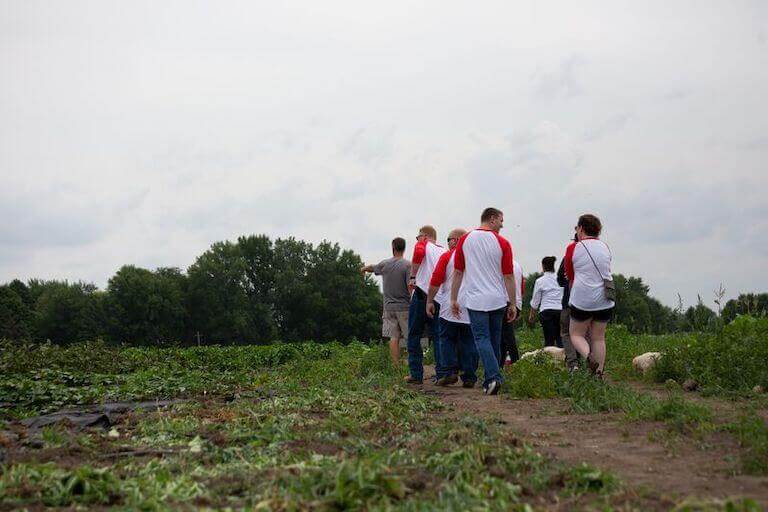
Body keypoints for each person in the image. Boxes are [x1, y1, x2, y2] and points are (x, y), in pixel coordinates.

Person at [450, 207, 517, 395]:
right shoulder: (502, 242)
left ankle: (493, 378)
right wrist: (512, 302)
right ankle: (493, 379)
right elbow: (509, 276)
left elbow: (458, 272)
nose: (502, 225)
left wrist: (453, 298)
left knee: (481, 338)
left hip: (475, 298)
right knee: (494, 340)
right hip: (497, 299)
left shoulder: (465, 240)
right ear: (493, 218)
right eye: (501, 221)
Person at [564, 214, 615, 378]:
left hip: (582, 299)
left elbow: (570, 275)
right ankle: (599, 373)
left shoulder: (573, 248)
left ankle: (589, 357)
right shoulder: (605, 246)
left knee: (576, 334)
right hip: (605, 299)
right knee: (599, 338)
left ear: (580, 228)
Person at [426, 228, 478, 387]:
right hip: (471, 305)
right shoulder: (475, 257)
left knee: (446, 338)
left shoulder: (448, 256)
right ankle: (469, 376)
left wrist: (429, 300)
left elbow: (435, 280)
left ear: (455, 240)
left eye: (449, 239)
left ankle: (449, 371)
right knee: (469, 341)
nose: (447, 242)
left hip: (450, 304)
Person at [404, 225, 447, 384]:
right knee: (438, 335)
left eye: (418, 237)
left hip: (422, 293)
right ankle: (442, 372)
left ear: (425, 236)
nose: (417, 240)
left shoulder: (423, 244)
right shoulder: (444, 251)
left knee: (414, 334)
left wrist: (413, 277)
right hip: (439, 298)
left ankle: (416, 374)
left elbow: (419, 252)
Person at [360, 237, 411, 367]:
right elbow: (410, 286)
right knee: (409, 337)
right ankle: (411, 365)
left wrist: (364, 268)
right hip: (405, 307)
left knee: (393, 337)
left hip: (388, 308)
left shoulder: (385, 264)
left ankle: (395, 366)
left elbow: (373, 267)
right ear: (404, 248)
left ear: (393, 247)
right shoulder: (407, 265)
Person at [528, 256, 564, 348]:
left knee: (549, 339)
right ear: (553, 266)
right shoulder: (560, 279)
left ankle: (549, 359)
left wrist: (532, 315)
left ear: (543, 266)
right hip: (560, 310)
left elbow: (535, 300)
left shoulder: (540, 281)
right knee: (560, 338)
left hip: (546, 311)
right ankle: (563, 357)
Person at [558, 235, 581, 371]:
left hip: (569, 300)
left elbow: (560, 278)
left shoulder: (569, 255)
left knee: (566, 333)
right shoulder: (596, 253)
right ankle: (588, 361)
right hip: (589, 303)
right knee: (586, 333)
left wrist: (567, 282)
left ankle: (573, 363)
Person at [500, 260, 524, 366]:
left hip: (506, 301)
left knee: (507, 335)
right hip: (517, 302)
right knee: (504, 336)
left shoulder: (502, 264)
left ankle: (515, 362)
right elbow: (522, 287)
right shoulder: (518, 265)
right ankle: (501, 364)